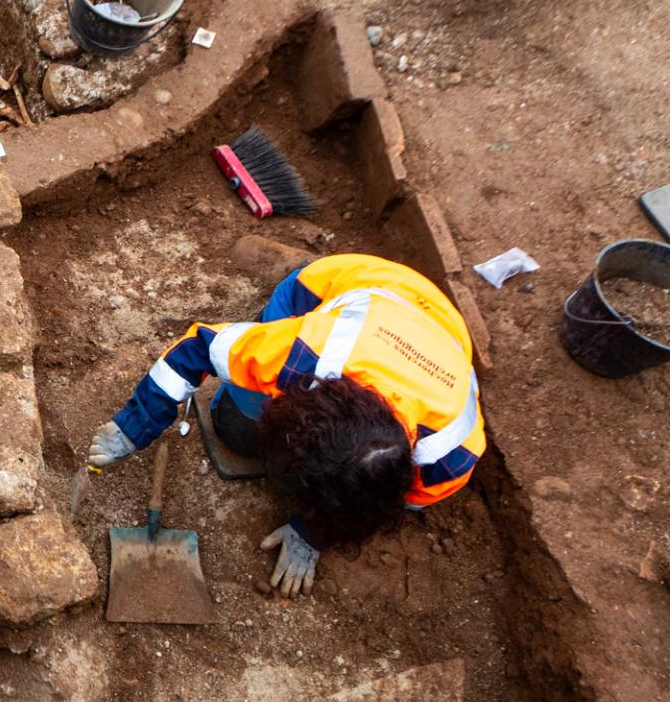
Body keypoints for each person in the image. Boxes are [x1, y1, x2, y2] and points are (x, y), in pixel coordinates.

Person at [86, 254, 485, 597]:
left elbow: (370, 506)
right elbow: (198, 348)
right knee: (237, 428)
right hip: (343, 285)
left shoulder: (450, 459)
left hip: (443, 335)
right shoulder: (303, 354)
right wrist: (133, 427)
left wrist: (313, 532)